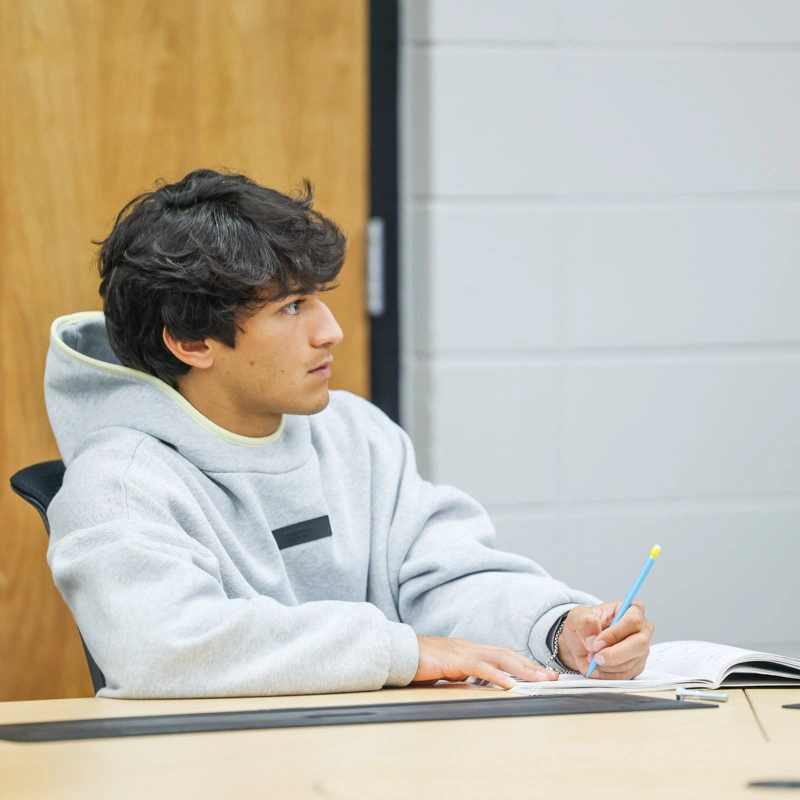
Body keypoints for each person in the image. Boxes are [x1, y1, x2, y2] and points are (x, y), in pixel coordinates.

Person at [44, 169, 653, 698]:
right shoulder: (119, 484)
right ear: (192, 341)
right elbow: (162, 647)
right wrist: (404, 652)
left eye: (319, 300)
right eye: (292, 307)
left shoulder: (353, 431)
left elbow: (444, 574)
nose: (331, 330)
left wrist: (555, 628)